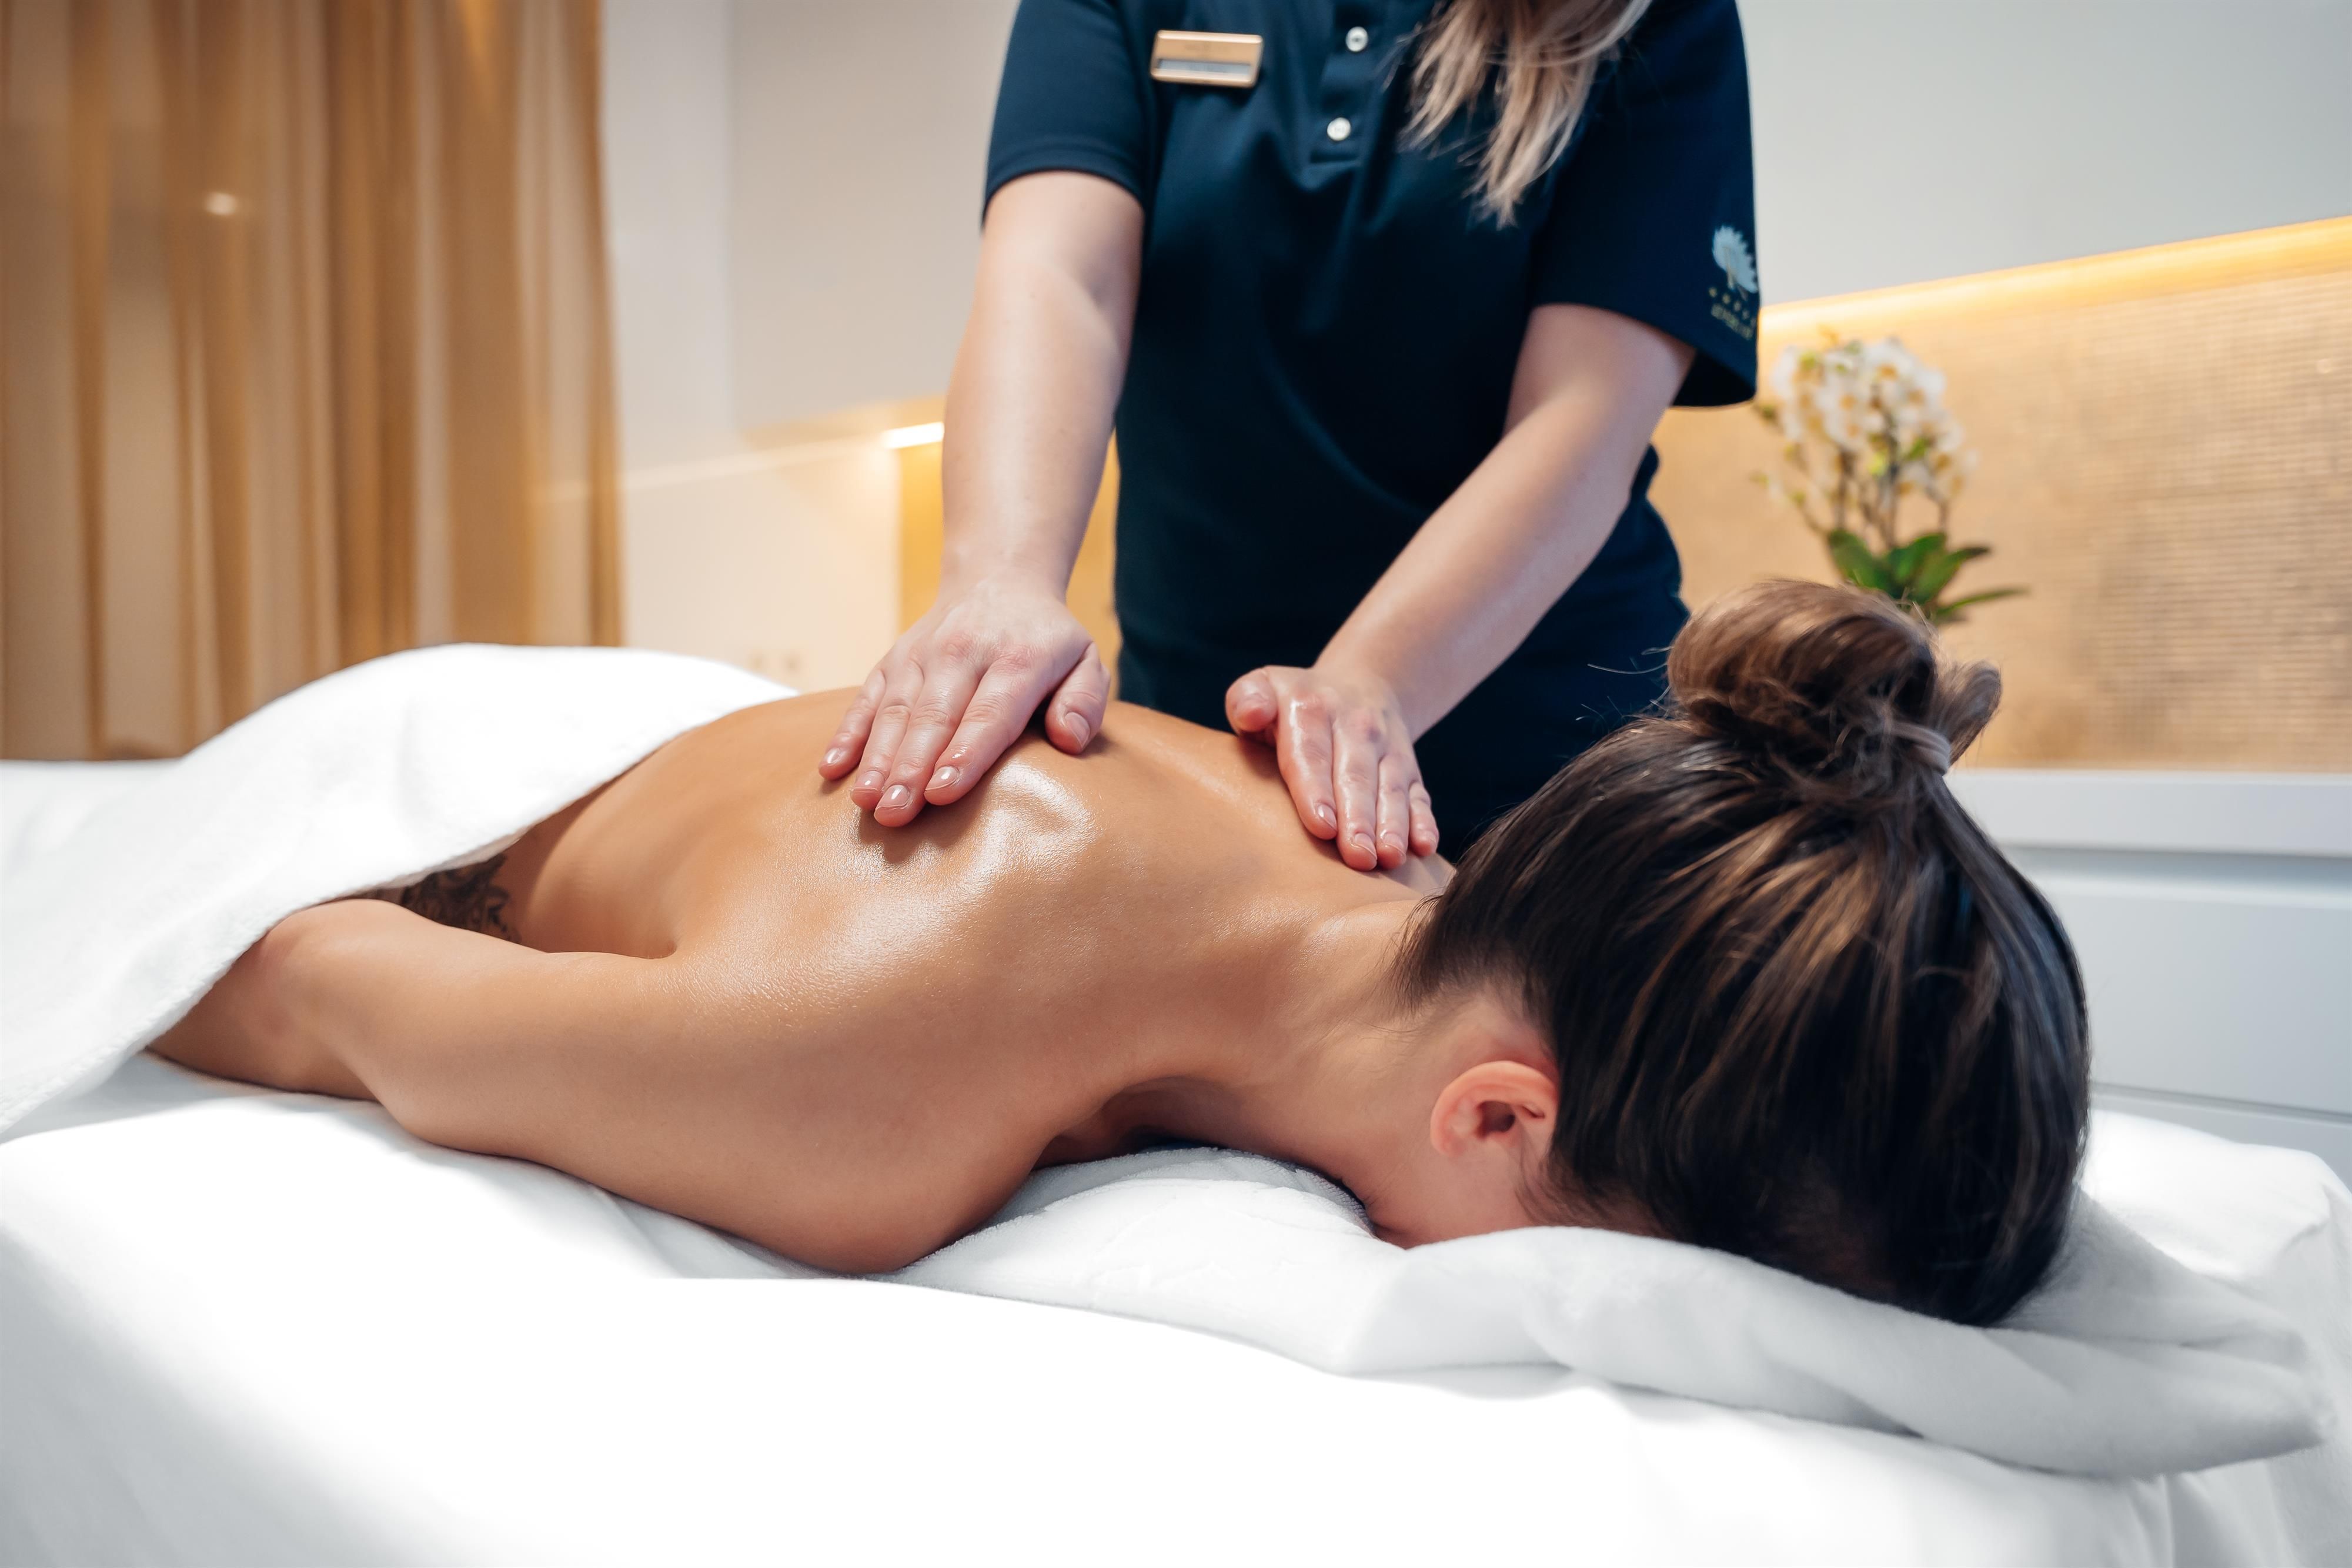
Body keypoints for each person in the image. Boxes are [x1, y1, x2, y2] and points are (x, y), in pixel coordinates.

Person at [158, 583, 2087, 1322]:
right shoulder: (851, 1083)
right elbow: (287, 959)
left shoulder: (1407, 867)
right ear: (1502, 1114)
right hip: (444, 761)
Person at [818, 0, 1760, 871]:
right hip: (1203, 758)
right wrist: (998, 583)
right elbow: (1063, 278)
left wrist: (1367, 687)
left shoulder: (1659, 16)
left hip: (1562, 789)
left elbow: (1581, 419)